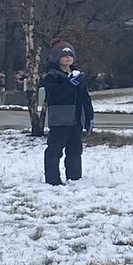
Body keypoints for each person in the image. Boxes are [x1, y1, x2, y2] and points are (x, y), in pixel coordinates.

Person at [42, 39, 94, 186]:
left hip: (76, 120)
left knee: (75, 149)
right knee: (55, 149)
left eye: (70, 55)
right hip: (59, 120)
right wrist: (69, 84)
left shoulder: (78, 76)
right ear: (56, 58)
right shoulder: (51, 76)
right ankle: (52, 179)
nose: (67, 58)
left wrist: (89, 117)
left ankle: (74, 177)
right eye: (63, 55)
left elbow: (85, 98)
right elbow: (55, 96)